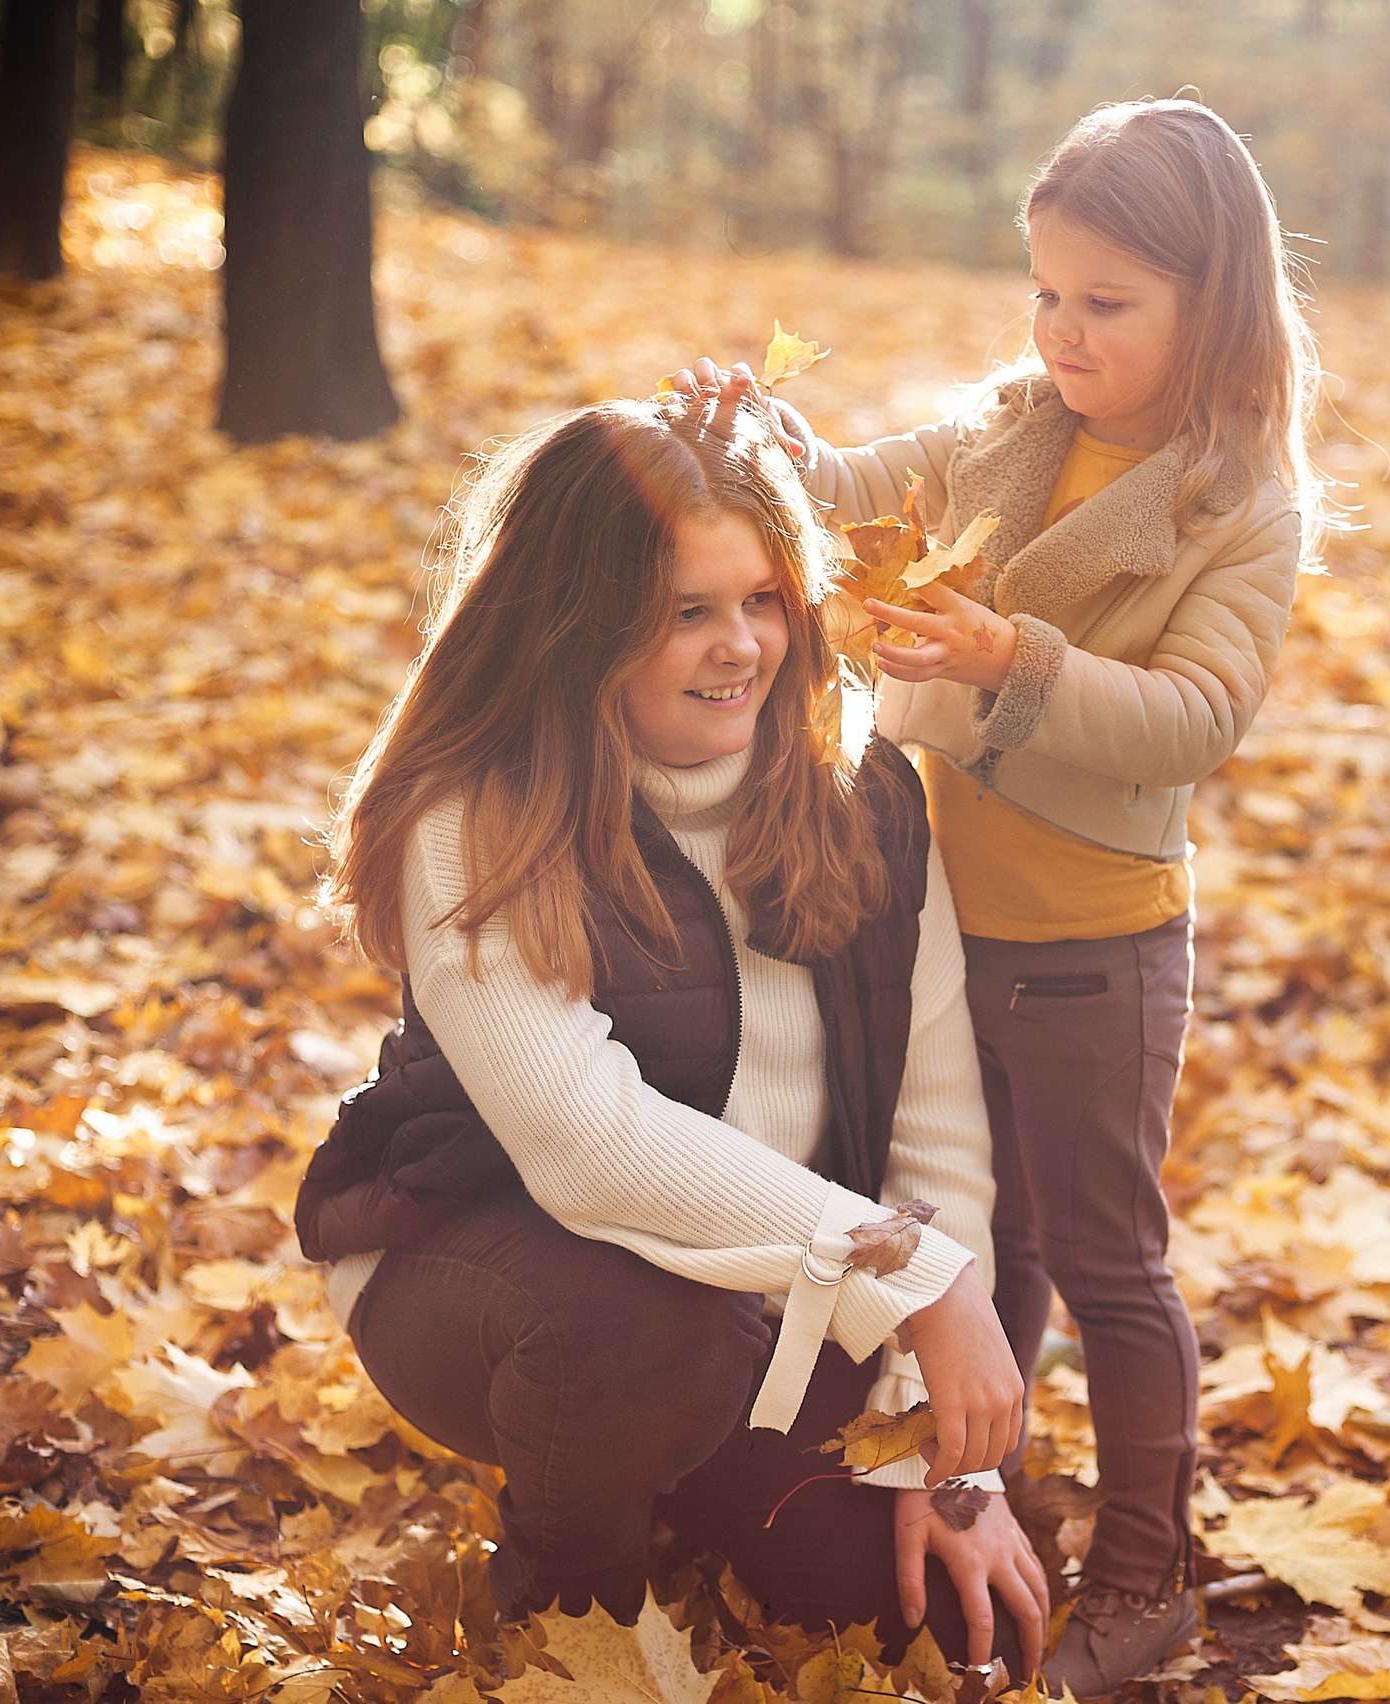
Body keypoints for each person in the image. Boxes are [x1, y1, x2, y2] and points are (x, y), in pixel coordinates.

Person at [676, 95, 1321, 1694]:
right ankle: (983, 1509)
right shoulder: (1007, 426)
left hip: (1094, 946)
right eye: (1046, 292)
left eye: (1108, 303)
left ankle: (1147, 1574)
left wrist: (1011, 657)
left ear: (1212, 301)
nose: (1065, 330)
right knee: (988, 1256)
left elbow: (1195, 717)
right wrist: (750, 435)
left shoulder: (1236, 503)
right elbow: (842, 490)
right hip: (938, 931)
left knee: (1106, 1264)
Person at [291, 391, 1050, 1677]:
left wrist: (938, 1450)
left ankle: (682, 1470)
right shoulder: (479, 814)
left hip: (780, 1293)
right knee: (650, 1336)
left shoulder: (861, 789)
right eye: (685, 614)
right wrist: (918, 1280)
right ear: (579, 630)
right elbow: (586, 1146)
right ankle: (559, 1606)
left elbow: (935, 1110)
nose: (740, 648)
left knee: (911, 1615)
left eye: (762, 601)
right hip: (486, 1272)